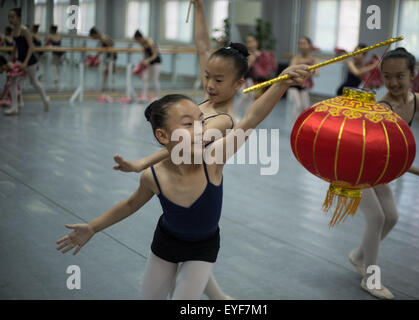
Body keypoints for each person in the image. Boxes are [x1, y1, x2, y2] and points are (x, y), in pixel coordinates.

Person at [56, 64, 311, 300]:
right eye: (189, 124)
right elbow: (130, 205)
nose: (202, 129)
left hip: (203, 248)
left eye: (202, 120)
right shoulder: (153, 176)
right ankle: (220, 297)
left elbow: (251, 119)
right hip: (165, 245)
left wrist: (282, 82)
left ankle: (218, 297)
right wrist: (92, 228)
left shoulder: (213, 160)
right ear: (163, 135)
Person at [112, 0, 250, 299]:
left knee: (194, 253)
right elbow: (202, 44)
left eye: (218, 80)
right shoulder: (204, 102)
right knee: (192, 255)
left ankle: (219, 299)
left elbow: (183, 147)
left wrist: (140, 164)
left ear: (238, 84)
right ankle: (221, 299)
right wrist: (199, 8)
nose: (210, 84)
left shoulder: (224, 119)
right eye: (207, 77)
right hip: (185, 183)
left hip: (201, 184)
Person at [348, 47, 419, 300]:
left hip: (378, 169)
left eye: (400, 76)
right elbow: (387, 157)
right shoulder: (382, 108)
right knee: (377, 218)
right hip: (358, 166)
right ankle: (371, 279)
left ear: (413, 75)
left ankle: (358, 255)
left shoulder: (418, 100)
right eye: (387, 76)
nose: (393, 82)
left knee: (392, 217)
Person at [4, 8, 49, 115]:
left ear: (19, 18)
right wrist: (12, 58)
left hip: (30, 61)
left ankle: (45, 100)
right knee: (13, 82)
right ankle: (14, 107)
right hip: (20, 59)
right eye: (9, 17)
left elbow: (31, 46)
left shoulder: (24, 29)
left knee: (34, 82)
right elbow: (16, 45)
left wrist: (25, 62)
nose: (10, 19)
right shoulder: (14, 30)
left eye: (13, 17)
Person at [234, 34, 277, 119]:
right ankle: (235, 114)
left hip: (251, 79)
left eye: (251, 41)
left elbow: (269, 67)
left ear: (256, 43)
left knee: (251, 97)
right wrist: (251, 59)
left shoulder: (262, 54)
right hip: (241, 78)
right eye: (247, 42)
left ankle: (248, 116)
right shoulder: (243, 54)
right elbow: (243, 68)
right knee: (243, 96)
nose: (249, 44)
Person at [286, 37, 319, 121]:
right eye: (300, 44)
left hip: (304, 87)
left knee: (305, 107)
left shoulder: (313, 59)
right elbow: (291, 70)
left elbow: (316, 73)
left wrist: (311, 72)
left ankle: (302, 127)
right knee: (297, 105)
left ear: (309, 46)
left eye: (304, 43)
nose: (301, 46)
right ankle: (294, 126)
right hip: (293, 86)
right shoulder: (296, 58)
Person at [133, 30, 162, 101]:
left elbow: (155, 54)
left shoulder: (149, 41)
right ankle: (144, 96)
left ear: (139, 37)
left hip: (156, 62)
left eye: (137, 40)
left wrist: (147, 60)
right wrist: (143, 62)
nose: (137, 41)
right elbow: (145, 54)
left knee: (155, 79)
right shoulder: (142, 43)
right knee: (144, 78)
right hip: (148, 63)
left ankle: (157, 96)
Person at [89, 27, 116, 93]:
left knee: (109, 72)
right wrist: (96, 56)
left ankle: (109, 88)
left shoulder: (103, 38)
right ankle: (104, 87)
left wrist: (112, 59)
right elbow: (103, 48)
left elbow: (111, 47)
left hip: (110, 56)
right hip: (108, 55)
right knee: (105, 72)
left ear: (95, 34)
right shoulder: (101, 38)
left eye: (93, 37)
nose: (93, 38)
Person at [45, 25, 64, 89]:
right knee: (57, 65)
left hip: (56, 52)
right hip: (60, 51)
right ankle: (57, 77)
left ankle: (56, 78)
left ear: (52, 30)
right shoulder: (58, 36)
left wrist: (47, 40)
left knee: (54, 65)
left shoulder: (50, 36)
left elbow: (46, 44)